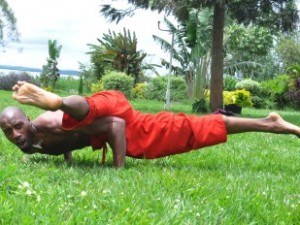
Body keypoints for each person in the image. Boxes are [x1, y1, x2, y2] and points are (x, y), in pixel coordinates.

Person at [0, 81, 299, 168]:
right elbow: (68, 138)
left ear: (28, 120)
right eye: (7, 132)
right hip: (107, 116)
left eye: (17, 126)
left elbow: (114, 124)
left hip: (129, 124)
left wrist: (117, 171)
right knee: (194, 127)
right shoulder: (33, 141)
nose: (14, 135)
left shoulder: (45, 123)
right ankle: (268, 121)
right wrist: (68, 159)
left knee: (195, 130)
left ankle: (271, 123)